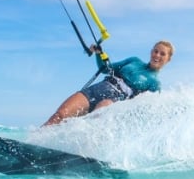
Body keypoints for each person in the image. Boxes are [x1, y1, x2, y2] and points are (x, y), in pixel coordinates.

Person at [42, 40, 174, 125]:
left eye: (162, 54)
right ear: (151, 52)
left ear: (168, 59)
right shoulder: (134, 60)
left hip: (114, 99)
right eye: (156, 51)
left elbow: (142, 110)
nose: (157, 55)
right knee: (60, 115)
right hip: (97, 89)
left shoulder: (155, 84)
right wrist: (99, 53)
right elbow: (105, 68)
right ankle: (35, 141)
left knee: (91, 121)